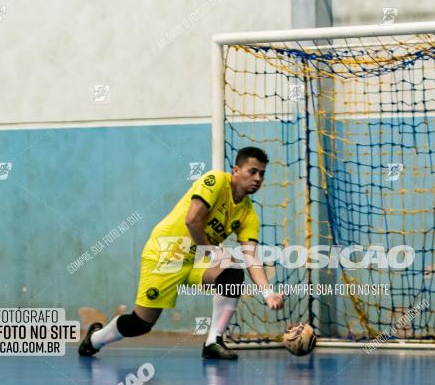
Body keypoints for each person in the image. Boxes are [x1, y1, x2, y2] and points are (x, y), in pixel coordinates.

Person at [79, 146, 283, 360]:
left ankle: (214, 341)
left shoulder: (248, 213)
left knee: (232, 271)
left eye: (262, 173)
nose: (258, 178)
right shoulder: (215, 181)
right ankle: (95, 339)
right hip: (167, 254)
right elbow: (192, 220)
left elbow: (251, 257)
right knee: (141, 324)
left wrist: (268, 293)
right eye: (252, 171)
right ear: (236, 170)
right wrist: (211, 251)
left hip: (197, 260)